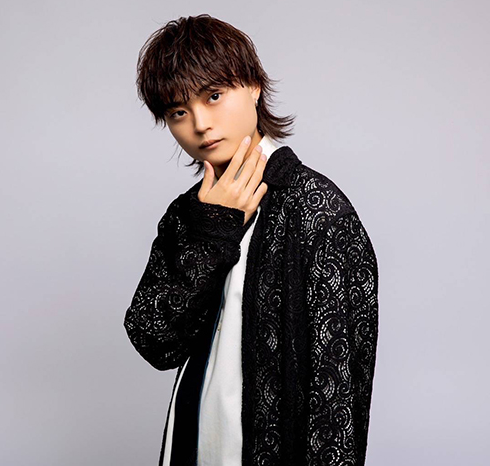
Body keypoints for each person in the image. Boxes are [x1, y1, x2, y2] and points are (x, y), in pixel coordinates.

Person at [123, 14, 379, 466]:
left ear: (254, 87)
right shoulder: (187, 216)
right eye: (178, 112)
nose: (200, 124)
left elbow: (338, 393)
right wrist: (214, 230)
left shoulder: (317, 210)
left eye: (214, 96)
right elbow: (155, 340)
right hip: (192, 441)